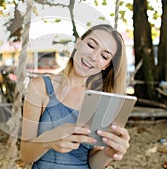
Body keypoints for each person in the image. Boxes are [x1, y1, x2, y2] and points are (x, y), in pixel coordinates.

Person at [20, 24, 130, 168]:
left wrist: (108, 153)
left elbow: (94, 164)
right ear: (78, 43)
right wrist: (49, 140)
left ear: (106, 66)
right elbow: (26, 156)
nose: (93, 56)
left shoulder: (104, 100)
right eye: (91, 45)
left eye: (104, 56)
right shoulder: (40, 87)